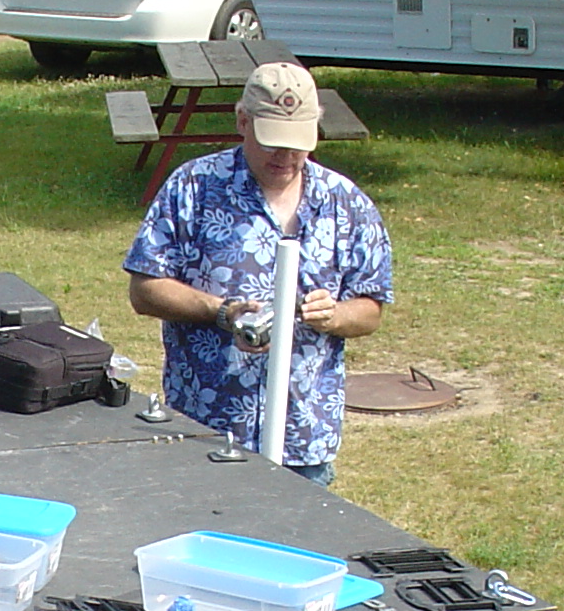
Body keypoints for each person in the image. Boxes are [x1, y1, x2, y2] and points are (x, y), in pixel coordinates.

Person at [123, 62, 391, 484]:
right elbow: (145, 289)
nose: (285, 157)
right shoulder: (193, 187)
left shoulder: (347, 204)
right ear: (242, 121)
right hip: (205, 429)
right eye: (272, 142)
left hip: (303, 436)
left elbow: (371, 308)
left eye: (297, 143)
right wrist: (221, 312)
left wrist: (334, 315)